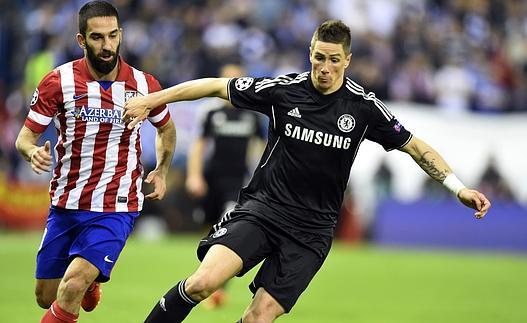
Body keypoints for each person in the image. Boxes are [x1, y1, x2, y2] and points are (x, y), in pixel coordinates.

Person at [123, 20, 491, 323]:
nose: (324, 68)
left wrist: (457, 187)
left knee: (257, 318)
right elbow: (215, 86)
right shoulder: (285, 90)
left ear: (347, 60)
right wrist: (155, 98)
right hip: (263, 211)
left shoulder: (364, 108)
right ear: (310, 54)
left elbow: (415, 146)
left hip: (312, 232)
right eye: (318, 58)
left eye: (333, 60)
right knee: (204, 283)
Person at [14, 1, 176, 322]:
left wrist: (162, 168)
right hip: (66, 202)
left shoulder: (144, 86)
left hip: (116, 205)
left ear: (121, 35)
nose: (107, 46)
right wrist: (33, 152)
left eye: (113, 36)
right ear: (81, 40)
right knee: (45, 295)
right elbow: (24, 138)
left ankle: (84, 281)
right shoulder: (58, 82)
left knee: (71, 285)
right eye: (98, 37)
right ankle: (90, 284)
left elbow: (166, 129)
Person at [186, 64, 264, 308]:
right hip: (212, 180)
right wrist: (194, 176)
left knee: (227, 229)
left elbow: (262, 149)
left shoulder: (252, 115)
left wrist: (260, 178)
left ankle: (218, 287)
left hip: (237, 182)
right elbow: (199, 146)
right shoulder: (212, 113)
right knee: (210, 229)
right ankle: (210, 277)